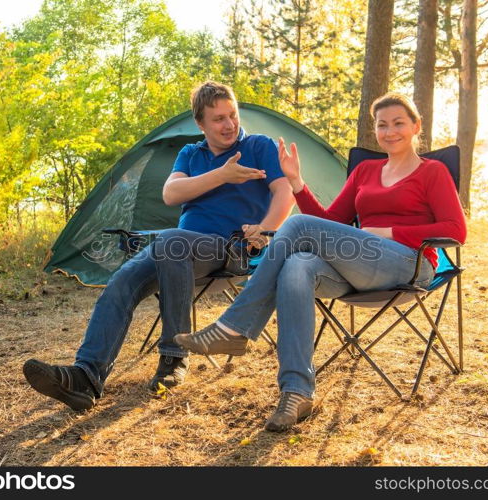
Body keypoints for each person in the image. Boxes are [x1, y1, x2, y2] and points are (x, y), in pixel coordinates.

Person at [175, 92, 467, 431]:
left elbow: (456, 230)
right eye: (382, 125)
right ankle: (297, 393)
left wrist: (388, 231)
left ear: (416, 126)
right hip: (359, 266)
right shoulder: (366, 171)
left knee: (296, 225)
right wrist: (297, 183)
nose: (390, 132)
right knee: (298, 264)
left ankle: (235, 326)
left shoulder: (432, 172)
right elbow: (333, 222)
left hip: (409, 264)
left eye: (399, 123)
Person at [23, 81, 294, 411]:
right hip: (176, 249)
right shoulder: (191, 153)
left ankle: (174, 356)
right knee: (122, 281)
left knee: (171, 240)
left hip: (229, 248)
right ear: (201, 124)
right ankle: (86, 377)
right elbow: (171, 194)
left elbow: (284, 192)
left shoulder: (258, 146)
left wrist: (265, 231)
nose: (229, 125)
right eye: (218, 119)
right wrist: (221, 175)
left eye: (232, 115)